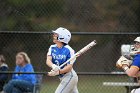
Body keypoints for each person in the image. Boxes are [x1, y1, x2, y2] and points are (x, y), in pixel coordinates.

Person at [46, 27, 79, 93]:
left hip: (70, 76)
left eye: (56, 35)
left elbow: (69, 67)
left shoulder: (69, 50)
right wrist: (54, 66)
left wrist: (58, 72)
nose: (53, 36)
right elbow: (48, 60)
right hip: (62, 78)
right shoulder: (52, 47)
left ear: (62, 37)